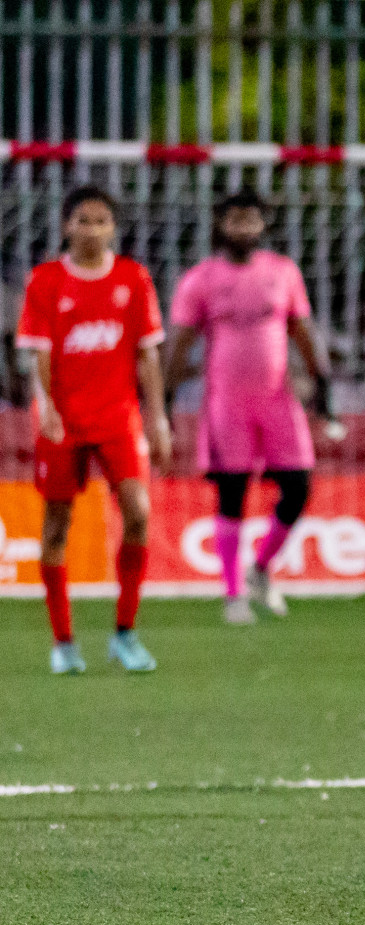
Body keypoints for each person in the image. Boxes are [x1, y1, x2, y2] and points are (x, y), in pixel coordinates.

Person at [16, 185, 171, 674]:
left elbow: (147, 353)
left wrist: (159, 417)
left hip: (119, 417)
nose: (92, 229)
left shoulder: (133, 278)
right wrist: (47, 409)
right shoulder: (45, 281)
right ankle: (63, 642)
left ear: (114, 228)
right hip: (64, 419)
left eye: (102, 221)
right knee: (56, 525)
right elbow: (40, 351)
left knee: (139, 512)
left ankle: (125, 634)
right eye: (83, 220)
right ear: (66, 226)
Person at [165, 188, 330, 625]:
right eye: (235, 219)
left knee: (298, 486)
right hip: (226, 405)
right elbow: (179, 344)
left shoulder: (282, 272)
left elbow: (303, 330)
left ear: (263, 225)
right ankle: (233, 593)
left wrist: (323, 382)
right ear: (220, 225)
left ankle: (261, 568)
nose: (243, 227)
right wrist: (163, 399)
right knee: (232, 494)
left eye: (251, 219)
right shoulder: (200, 279)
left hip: (278, 400)